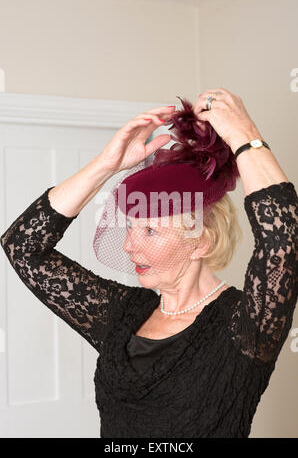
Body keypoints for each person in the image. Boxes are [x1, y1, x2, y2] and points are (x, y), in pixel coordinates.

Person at [1, 88, 297, 438]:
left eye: (150, 231)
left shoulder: (246, 324)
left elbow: (282, 239)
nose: (128, 246)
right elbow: (23, 246)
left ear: (202, 240)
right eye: (130, 228)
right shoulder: (123, 314)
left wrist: (245, 138)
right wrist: (106, 165)